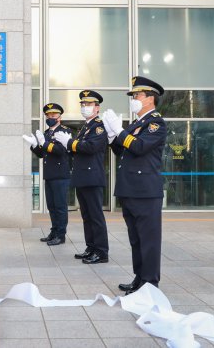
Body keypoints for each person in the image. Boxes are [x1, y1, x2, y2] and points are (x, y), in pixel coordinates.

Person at [102, 76, 167, 294]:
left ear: (150, 99)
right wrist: (112, 135)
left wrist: (120, 132)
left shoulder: (156, 123)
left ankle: (150, 284)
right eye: (133, 95)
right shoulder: (138, 124)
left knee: (148, 241)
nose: (134, 99)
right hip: (130, 189)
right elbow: (122, 150)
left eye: (137, 95)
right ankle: (140, 278)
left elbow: (139, 148)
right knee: (136, 239)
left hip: (146, 192)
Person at [54, 90, 109, 264]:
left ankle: (101, 251)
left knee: (95, 216)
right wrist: (70, 146)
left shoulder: (98, 126)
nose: (85, 107)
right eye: (83, 104)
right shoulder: (86, 126)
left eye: (89, 104)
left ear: (97, 107)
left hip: (92, 177)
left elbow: (91, 147)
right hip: (83, 177)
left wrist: (70, 143)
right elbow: (79, 149)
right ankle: (91, 247)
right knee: (86, 215)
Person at [23, 103, 71, 245]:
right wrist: (34, 145)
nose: (51, 117)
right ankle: (54, 231)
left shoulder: (65, 131)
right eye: (48, 115)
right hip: (49, 175)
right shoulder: (47, 133)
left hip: (60, 175)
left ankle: (61, 235)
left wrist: (44, 143)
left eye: (53, 114)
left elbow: (61, 151)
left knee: (60, 207)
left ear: (59, 116)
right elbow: (42, 154)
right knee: (52, 206)